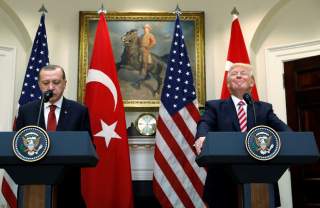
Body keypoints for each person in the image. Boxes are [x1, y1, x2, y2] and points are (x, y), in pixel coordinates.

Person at [195, 63, 290, 208]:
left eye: (243, 73)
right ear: (227, 84)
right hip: (223, 181)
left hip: (261, 180)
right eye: (233, 74)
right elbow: (205, 123)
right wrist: (202, 136)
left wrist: (295, 141)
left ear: (252, 82)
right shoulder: (215, 107)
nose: (238, 75)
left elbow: (284, 131)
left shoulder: (264, 109)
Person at [15, 64, 91, 208]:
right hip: (33, 187)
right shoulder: (27, 111)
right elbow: (17, 145)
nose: (51, 87)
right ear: (39, 85)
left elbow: (89, 146)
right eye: (45, 83)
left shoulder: (79, 111)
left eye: (56, 82)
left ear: (64, 84)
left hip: (67, 187)